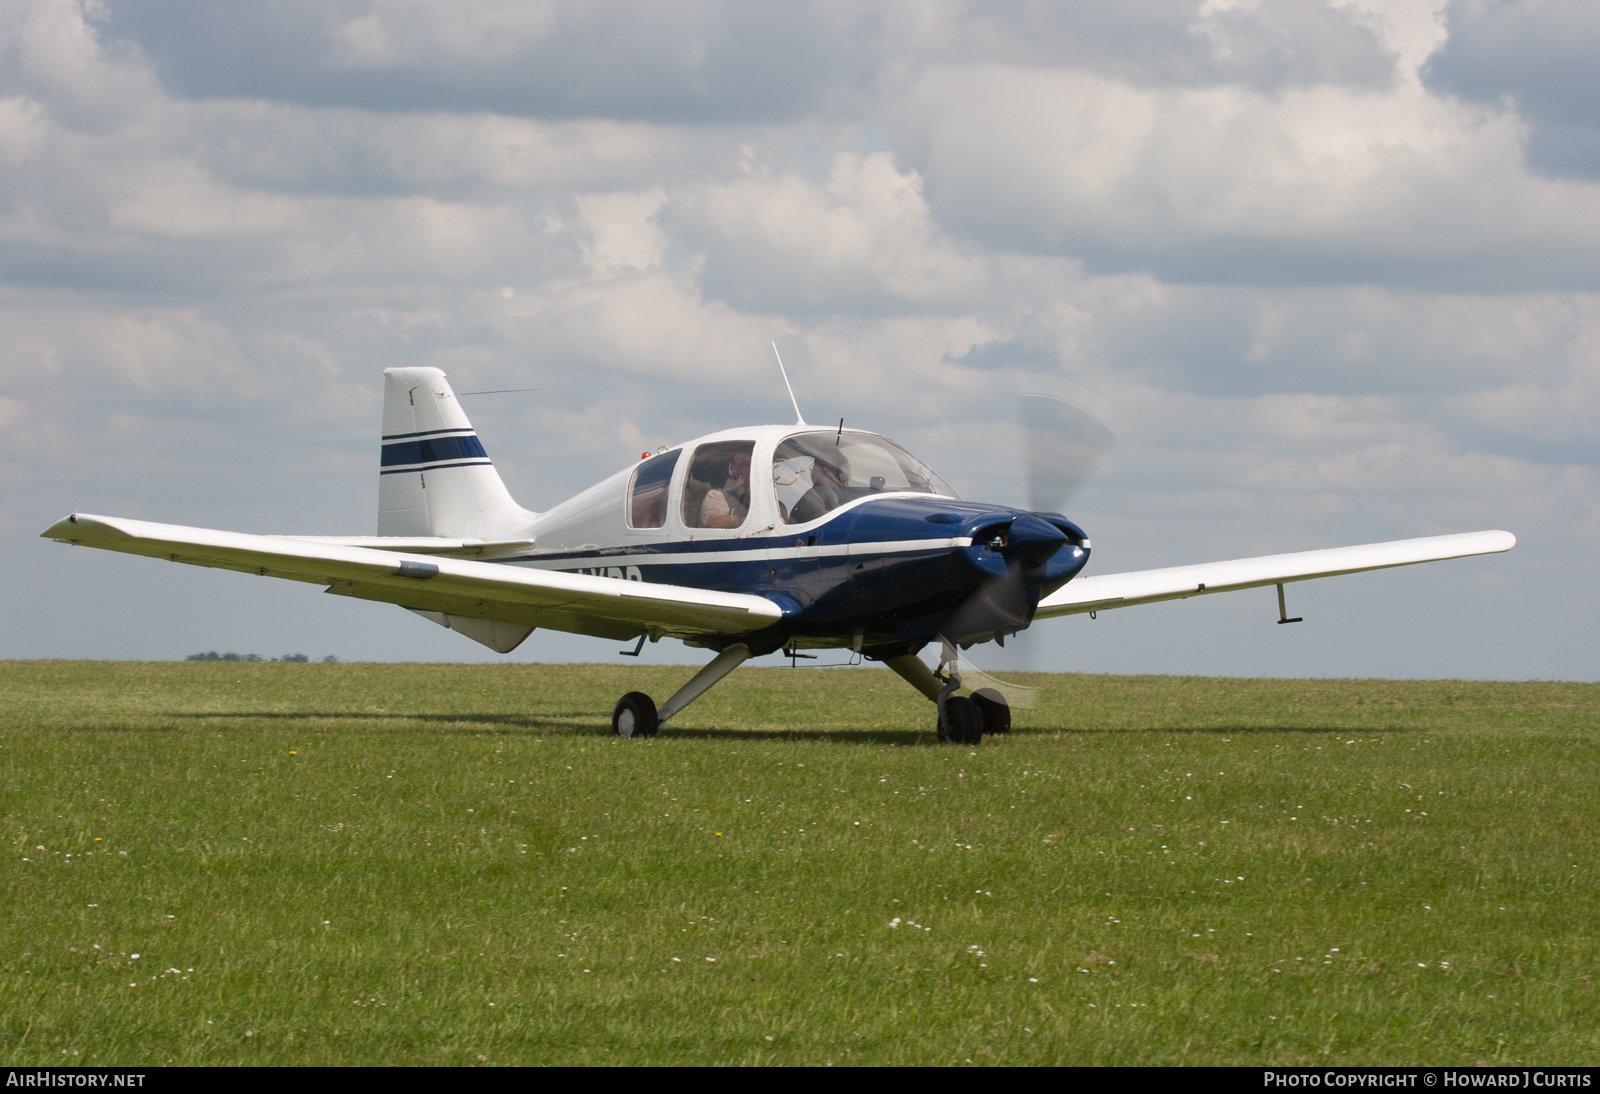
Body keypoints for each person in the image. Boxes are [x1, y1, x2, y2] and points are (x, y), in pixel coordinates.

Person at [789, 451, 850, 524]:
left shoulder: (856, 498)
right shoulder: (812, 496)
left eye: (826, 466)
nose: (816, 472)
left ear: (842, 471)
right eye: (815, 466)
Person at [700, 447, 751, 528]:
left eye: (743, 465)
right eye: (734, 464)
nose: (736, 470)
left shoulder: (761, 499)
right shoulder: (716, 495)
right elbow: (714, 522)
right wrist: (749, 522)